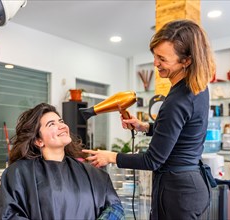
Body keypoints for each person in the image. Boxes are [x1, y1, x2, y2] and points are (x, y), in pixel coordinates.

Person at [83, 19, 215, 220]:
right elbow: (182, 131)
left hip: (178, 192)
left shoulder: (178, 100)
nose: (155, 64)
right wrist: (145, 127)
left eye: (162, 58)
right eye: (154, 56)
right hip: (192, 184)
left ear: (186, 60)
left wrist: (110, 157)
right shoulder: (197, 88)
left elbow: (152, 160)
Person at [0, 103, 124, 219]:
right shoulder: (18, 173)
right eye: (51, 124)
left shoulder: (94, 175)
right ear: (38, 140)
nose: (62, 126)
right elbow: (7, 215)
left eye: (61, 121)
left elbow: (116, 208)